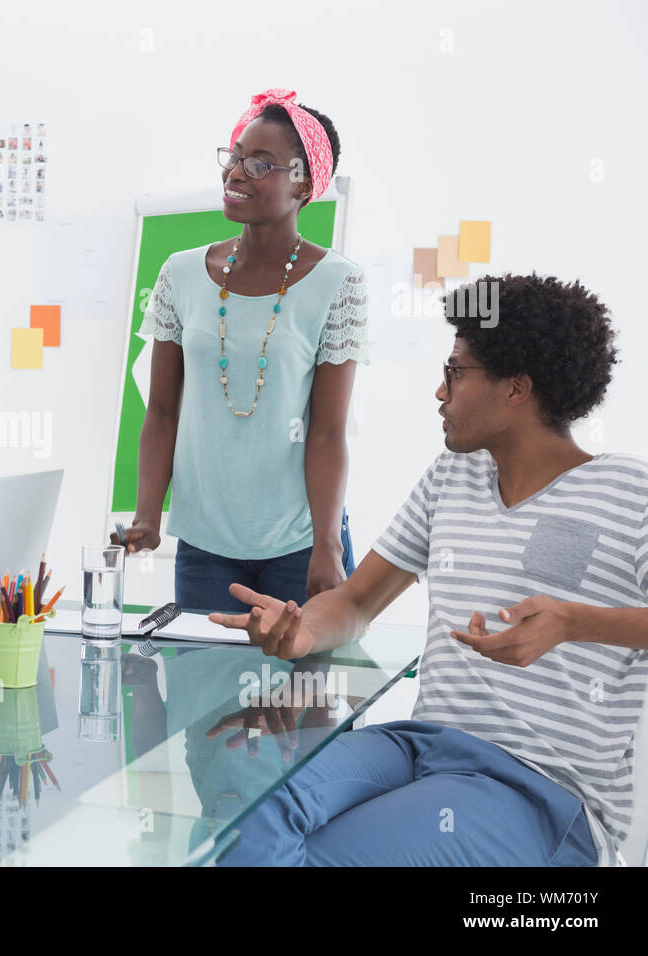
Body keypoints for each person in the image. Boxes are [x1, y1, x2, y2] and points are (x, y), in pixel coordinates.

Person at [209, 274, 646, 866]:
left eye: (456, 373)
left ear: (516, 389)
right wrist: (305, 629)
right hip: (419, 746)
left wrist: (572, 621)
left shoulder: (627, 490)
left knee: (323, 858)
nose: (439, 392)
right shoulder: (452, 476)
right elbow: (357, 602)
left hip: (539, 789)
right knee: (244, 815)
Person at [118, 89, 369, 614]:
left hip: (299, 546)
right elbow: (162, 412)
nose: (236, 173)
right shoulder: (180, 274)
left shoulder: (338, 283)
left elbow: (326, 431)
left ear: (304, 183)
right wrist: (147, 513)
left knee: (299, 694)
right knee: (203, 691)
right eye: (235, 157)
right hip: (206, 547)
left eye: (261, 164)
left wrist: (328, 544)